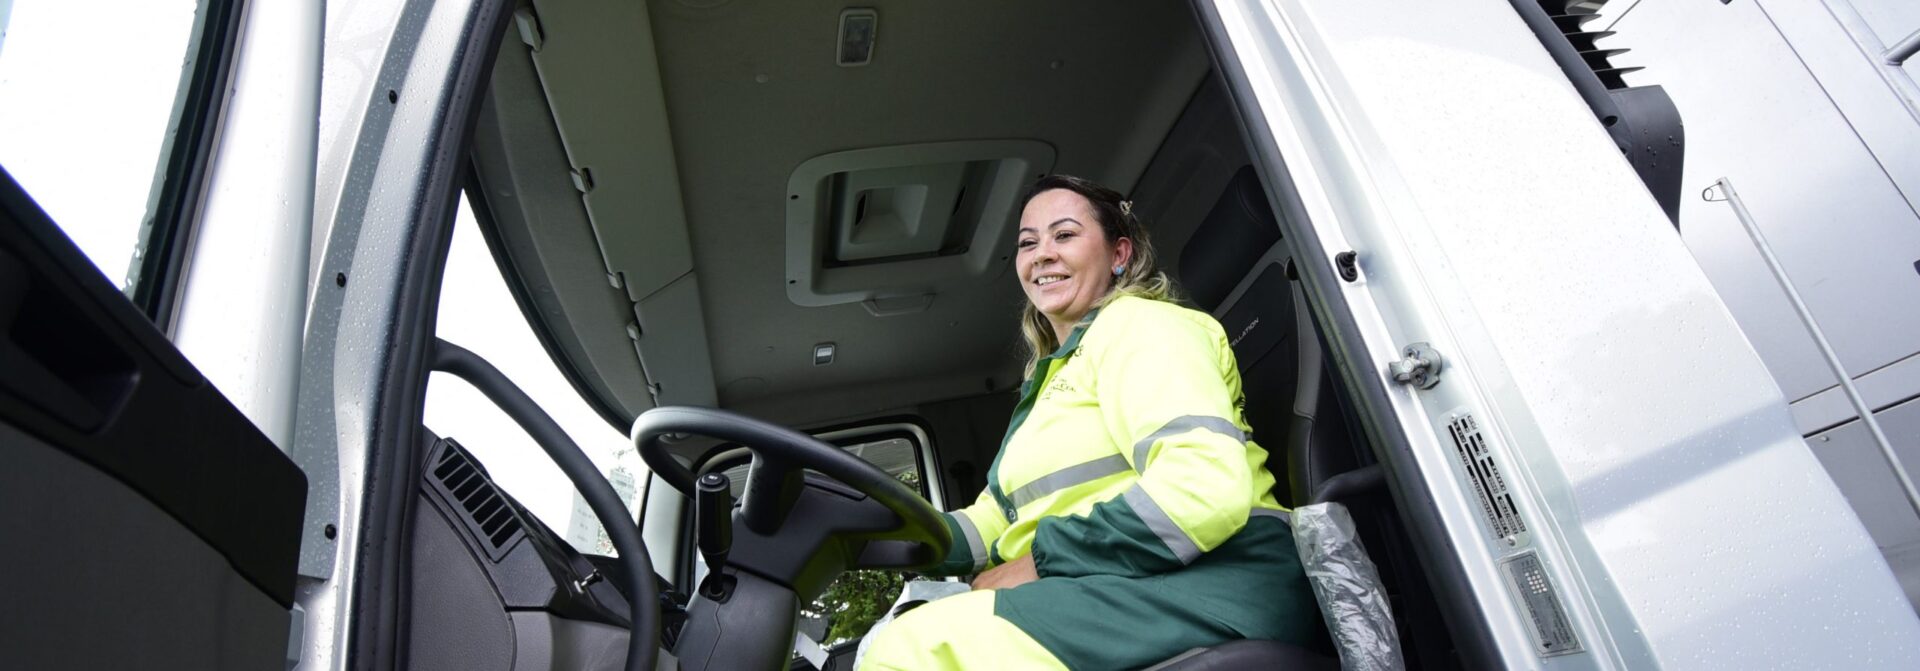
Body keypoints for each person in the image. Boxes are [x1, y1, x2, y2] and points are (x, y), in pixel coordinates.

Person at [858, 175, 1319, 669]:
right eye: (1027, 243)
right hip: (1118, 583)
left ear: (1120, 254)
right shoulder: (1051, 381)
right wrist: (877, 530)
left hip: (1217, 583)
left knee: (913, 649)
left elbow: (1201, 488)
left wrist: (1040, 562)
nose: (1042, 254)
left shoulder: (1144, 326)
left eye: (1065, 234)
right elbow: (998, 518)